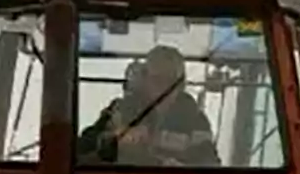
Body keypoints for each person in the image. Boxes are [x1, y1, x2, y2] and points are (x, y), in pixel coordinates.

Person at [79, 46, 219, 166]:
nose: (164, 87)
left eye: (170, 81)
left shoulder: (196, 120)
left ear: (181, 84)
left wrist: (180, 167)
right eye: (157, 79)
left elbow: (211, 163)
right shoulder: (119, 109)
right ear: (145, 79)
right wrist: (114, 138)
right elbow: (82, 147)